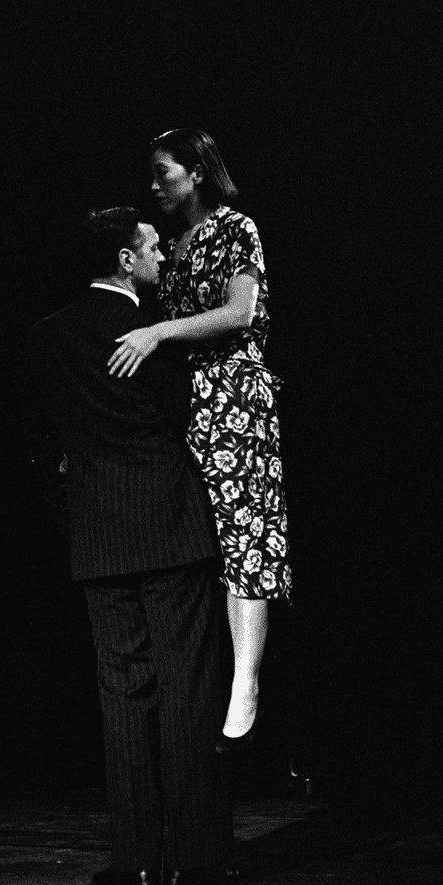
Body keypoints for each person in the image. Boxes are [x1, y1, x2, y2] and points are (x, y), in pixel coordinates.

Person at [27, 207, 234, 885]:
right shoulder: (151, 335)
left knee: (123, 696)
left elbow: (44, 444)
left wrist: (77, 521)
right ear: (123, 259)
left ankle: (135, 855)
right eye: (149, 248)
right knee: (187, 688)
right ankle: (198, 854)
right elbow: (180, 417)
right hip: (169, 525)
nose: (159, 259)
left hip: (99, 533)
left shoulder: (50, 336)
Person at [108, 130, 292, 752]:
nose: (154, 186)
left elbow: (240, 313)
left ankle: (247, 680)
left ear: (198, 171)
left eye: (164, 172)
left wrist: (161, 330)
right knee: (191, 538)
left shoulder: (237, 227)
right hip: (183, 397)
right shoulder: (168, 246)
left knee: (246, 530)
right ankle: (199, 680)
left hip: (233, 390)